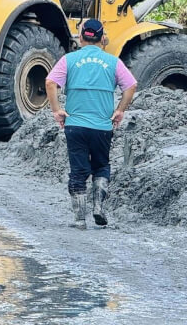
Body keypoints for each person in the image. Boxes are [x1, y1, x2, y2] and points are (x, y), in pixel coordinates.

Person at [45, 19, 137, 229]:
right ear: (102, 38)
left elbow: (50, 82)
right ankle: (98, 207)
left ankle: (79, 220)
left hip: (75, 125)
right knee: (101, 166)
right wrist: (120, 110)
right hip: (102, 126)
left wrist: (57, 110)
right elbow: (131, 85)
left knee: (78, 171)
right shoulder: (113, 62)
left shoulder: (69, 60)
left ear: (80, 36)